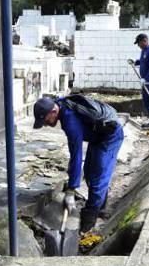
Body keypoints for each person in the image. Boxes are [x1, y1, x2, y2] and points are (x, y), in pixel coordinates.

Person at [33, 96, 124, 233]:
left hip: (110, 136)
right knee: (88, 172)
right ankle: (101, 206)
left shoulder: (70, 122)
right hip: (97, 136)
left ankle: (88, 223)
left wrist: (71, 190)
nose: (45, 124)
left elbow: (76, 155)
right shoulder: (60, 104)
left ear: (53, 112)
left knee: (98, 177)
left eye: (45, 119)